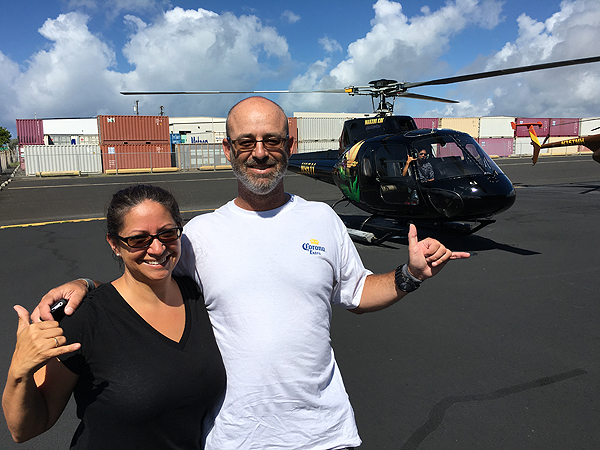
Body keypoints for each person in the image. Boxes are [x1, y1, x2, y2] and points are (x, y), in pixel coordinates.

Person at [33, 97, 469, 450]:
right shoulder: (199, 236)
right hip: (234, 436)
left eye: (271, 140)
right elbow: (143, 280)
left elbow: (356, 293)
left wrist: (410, 273)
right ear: (228, 150)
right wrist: (86, 285)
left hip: (324, 433)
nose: (259, 152)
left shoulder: (322, 219)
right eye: (246, 142)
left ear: (289, 144)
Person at [3, 185, 226, 449]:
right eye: (138, 239)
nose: (156, 248)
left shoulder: (200, 298)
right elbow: (25, 429)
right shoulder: (83, 318)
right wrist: (20, 372)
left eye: (167, 233)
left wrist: (87, 282)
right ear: (115, 244)